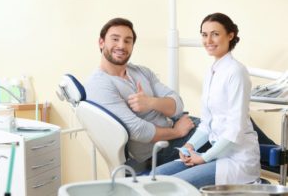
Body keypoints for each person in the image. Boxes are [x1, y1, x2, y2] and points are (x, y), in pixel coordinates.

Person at [154, 13, 261, 188]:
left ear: (230, 35)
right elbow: (206, 124)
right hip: (217, 155)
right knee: (154, 177)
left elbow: (235, 129)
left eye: (215, 34)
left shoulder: (236, 72)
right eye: (204, 35)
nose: (208, 40)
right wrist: (189, 146)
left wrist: (204, 157)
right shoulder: (211, 72)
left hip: (237, 161)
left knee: (173, 186)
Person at [84, 17, 197, 166]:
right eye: (115, 39)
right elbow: (138, 131)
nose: (121, 45)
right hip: (159, 150)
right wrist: (177, 132)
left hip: (177, 126)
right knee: (220, 139)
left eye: (127, 41)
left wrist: (150, 102)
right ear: (101, 42)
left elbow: (177, 104)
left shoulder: (141, 71)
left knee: (221, 128)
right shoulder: (99, 84)